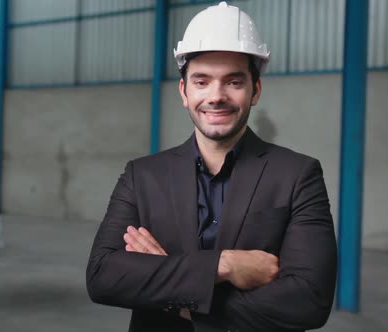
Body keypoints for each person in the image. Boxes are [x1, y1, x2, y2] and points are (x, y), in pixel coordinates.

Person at [86, 2, 337, 331]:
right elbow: (103, 276)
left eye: (233, 82)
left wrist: (175, 291)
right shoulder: (142, 176)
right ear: (184, 91)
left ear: (255, 90)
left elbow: (309, 301)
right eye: (202, 81)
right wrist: (225, 265)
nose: (216, 96)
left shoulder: (297, 175)